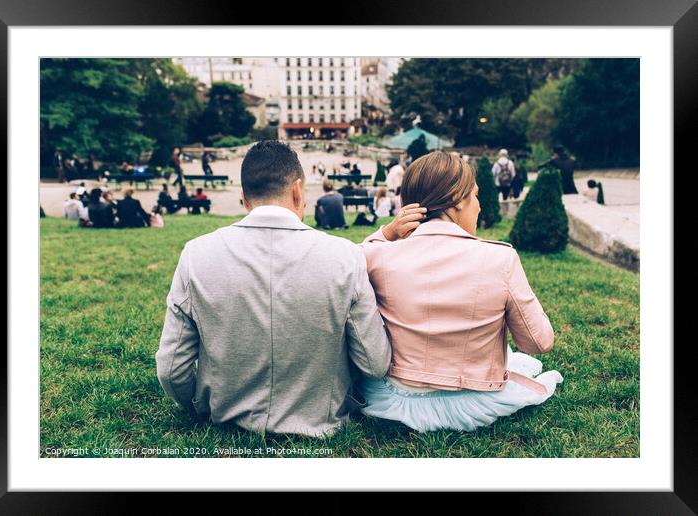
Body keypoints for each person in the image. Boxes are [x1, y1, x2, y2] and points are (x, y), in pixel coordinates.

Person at [156, 140, 391, 437]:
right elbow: (374, 363)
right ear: (297, 190)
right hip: (324, 419)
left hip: (224, 416)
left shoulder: (196, 253)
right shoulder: (345, 255)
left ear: (244, 199)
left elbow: (171, 367)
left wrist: (200, 406)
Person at [358, 151, 563, 433]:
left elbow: (351, 264)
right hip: (475, 400)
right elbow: (538, 343)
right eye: (476, 196)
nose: (479, 206)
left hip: (398, 397)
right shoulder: (500, 258)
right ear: (456, 200)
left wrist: (388, 233)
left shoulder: (377, 255)